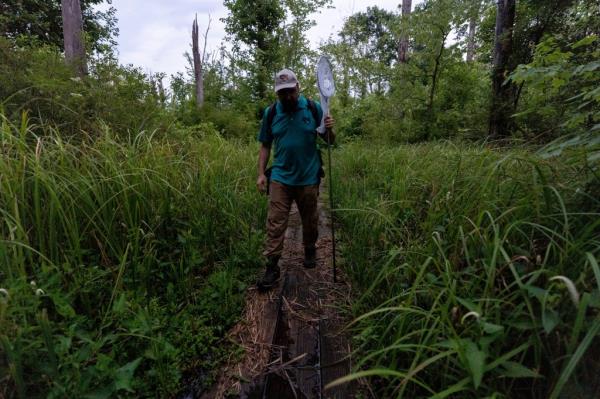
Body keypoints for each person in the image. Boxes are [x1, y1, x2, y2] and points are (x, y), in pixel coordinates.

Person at [256, 68, 335, 292]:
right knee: (275, 222)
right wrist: (261, 173)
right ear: (277, 93)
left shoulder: (313, 108)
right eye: (283, 93)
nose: (288, 96)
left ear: (298, 87)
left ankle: (309, 248)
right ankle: (272, 266)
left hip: (308, 177)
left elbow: (328, 141)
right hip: (280, 177)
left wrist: (329, 129)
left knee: (310, 218)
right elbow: (265, 145)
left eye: (291, 91)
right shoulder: (271, 113)